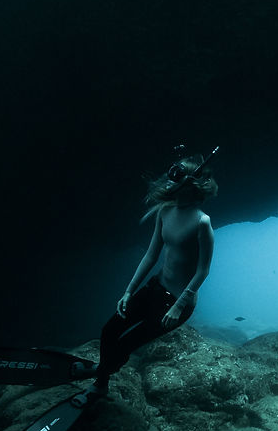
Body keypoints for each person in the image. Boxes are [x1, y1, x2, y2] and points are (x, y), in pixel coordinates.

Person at [92, 148, 217, 398]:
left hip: (177, 302)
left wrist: (179, 306)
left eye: (178, 174)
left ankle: (100, 382)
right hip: (155, 287)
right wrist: (129, 291)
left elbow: (203, 271)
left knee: (126, 344)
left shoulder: (202, 222)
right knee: (109, 331)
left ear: (190, 183)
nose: (170, 178)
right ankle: (102, 376)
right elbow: (151, 256)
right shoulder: (164, 212)